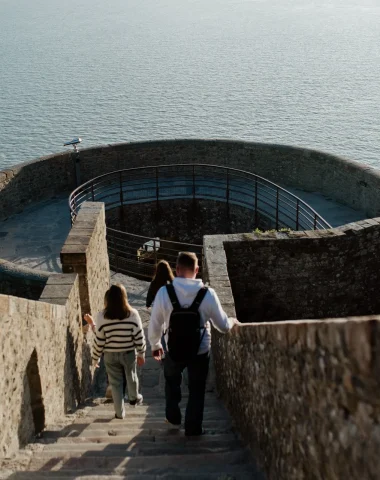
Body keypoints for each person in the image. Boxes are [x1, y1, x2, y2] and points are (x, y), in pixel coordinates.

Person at [148, 251, 237, 436]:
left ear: (177, 269)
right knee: (197, 389)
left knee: (171, 383)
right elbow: (223, 326)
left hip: (172, 349)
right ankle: (193, 427)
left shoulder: (165, 293)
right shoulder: (208, 294)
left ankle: (173, 418)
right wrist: (232, 322)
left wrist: (155, 345)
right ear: (197, 269)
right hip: (200, 351)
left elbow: (155, 323)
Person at [85, 284, 146, 419]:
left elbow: (99, 340)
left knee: (116, 384)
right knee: (131, 376)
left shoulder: (102, 316)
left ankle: (119, 413)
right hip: (128, 353)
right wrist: (141, 352)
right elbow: (139, 336)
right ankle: (134, 397)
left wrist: (95, 358)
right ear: (124, 297)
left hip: (110, 356)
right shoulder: (133, 314)